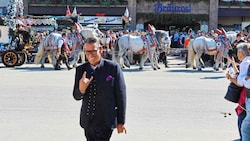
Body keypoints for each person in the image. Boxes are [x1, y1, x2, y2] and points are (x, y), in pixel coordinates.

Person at [72, 37, 127, 141]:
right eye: (87, 52)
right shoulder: (81, 69)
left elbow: (121, 96)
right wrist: (81, 89)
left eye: (93, 51)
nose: (90, 55)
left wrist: (121, 121)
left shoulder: (113, 68)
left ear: (100, 50)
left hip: (106, 120)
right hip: (88, 121)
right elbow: (76, 96)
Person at [226, 56, 246, 141]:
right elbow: (239, 75)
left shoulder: (247, 64)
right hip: (243, 105)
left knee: (243, 134)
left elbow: (240, 82)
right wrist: (233, 64)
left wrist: (230, 78)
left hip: (245, 106)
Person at [235, 43, 250, 141]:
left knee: (245, 127)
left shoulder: (245, 62)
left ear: (240, 53)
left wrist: (243, 78)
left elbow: (241, 82)